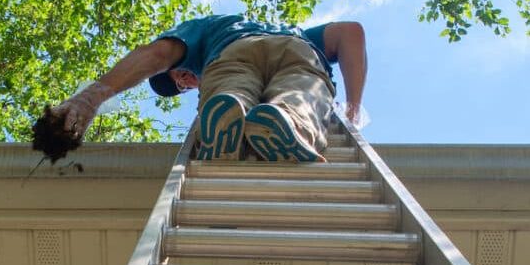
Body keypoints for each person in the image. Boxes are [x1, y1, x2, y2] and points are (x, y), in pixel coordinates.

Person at [46, 14, 366, 162]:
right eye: (182, 87)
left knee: (229, 86)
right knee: (300, 95)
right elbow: (350, 32)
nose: (185, 82)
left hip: (231, 52)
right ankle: (282, 122)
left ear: (183, 64)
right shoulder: (290, 30)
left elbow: (156, 55)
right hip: (297, 49)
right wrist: (352, 106)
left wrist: (93, 95)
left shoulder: (209, 30)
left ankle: (238, 125)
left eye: (178, 76)